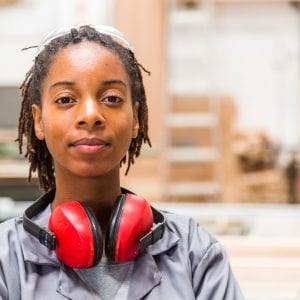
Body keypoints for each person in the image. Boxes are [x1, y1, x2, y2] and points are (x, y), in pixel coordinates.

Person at [0, 24, 244, 299]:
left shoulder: (194, 253)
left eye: (112, 98)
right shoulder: (5, 260)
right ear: (38, 120)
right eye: (66, 99)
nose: (90, 115)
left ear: (136, 118)